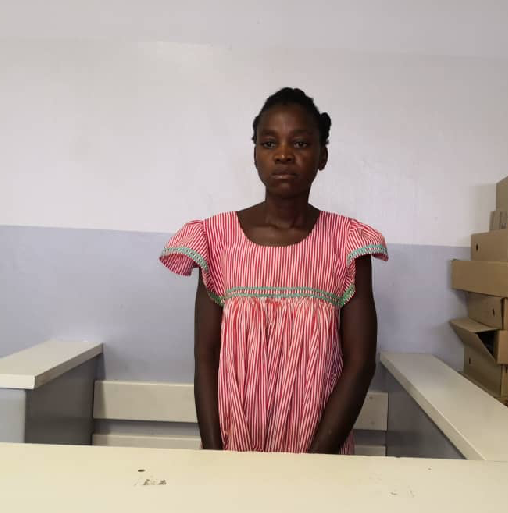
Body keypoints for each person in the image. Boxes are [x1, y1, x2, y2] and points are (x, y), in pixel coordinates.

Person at [160, 87, 388, 454]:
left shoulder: (347, 244)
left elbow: (360, 364)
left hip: (320, 457)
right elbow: (206, 357)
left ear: (322, 156)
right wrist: (214, 455)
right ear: (255, 155)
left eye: (300, 143)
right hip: (233, 454)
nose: (283, 154)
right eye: (269, 143)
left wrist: (315, 462)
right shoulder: (216, 239)